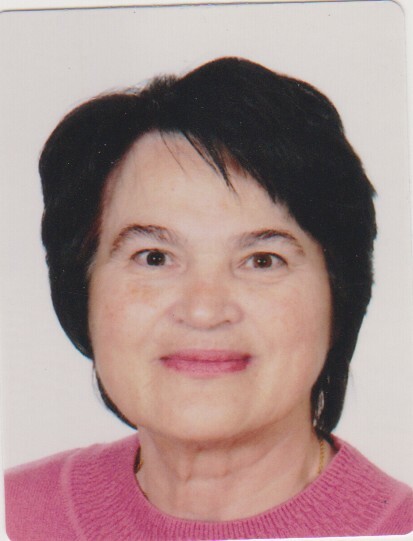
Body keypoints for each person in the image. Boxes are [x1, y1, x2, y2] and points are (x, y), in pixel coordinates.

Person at [4, 57, 412, 540]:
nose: (203, 310)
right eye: (154, 258)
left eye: (262, 260)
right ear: (81, 292)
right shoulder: (17, 513)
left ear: (339, 297)